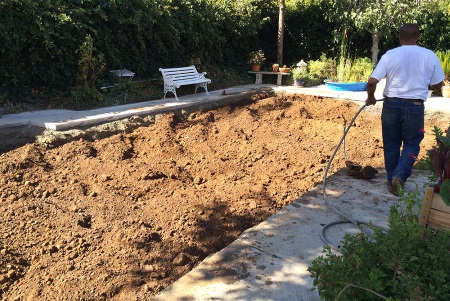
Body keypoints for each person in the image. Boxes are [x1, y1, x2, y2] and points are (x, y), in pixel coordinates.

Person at [365, 23, 445, 196]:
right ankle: (399, 177)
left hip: (391, 105)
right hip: (415, 107)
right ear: (418, 37)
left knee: (391, 144)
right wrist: (428, 85)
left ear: (400, 37)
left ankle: (391, 181)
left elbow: (372, 82)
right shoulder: (429, 55)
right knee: (411, 144)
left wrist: (370, 97)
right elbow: (440, 82)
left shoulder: (390, 55)